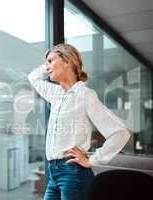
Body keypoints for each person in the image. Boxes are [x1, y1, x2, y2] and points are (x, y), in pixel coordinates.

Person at [28, 43, 130, 200]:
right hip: (53, 173)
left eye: (51, 61)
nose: (47, 67)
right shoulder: (56, 93)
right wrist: (49, 64)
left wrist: (92, 160)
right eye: (46, 63)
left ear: (67, 61)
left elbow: (120, 133)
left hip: (73, 173)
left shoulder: (85, 95)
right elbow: (33, 78)